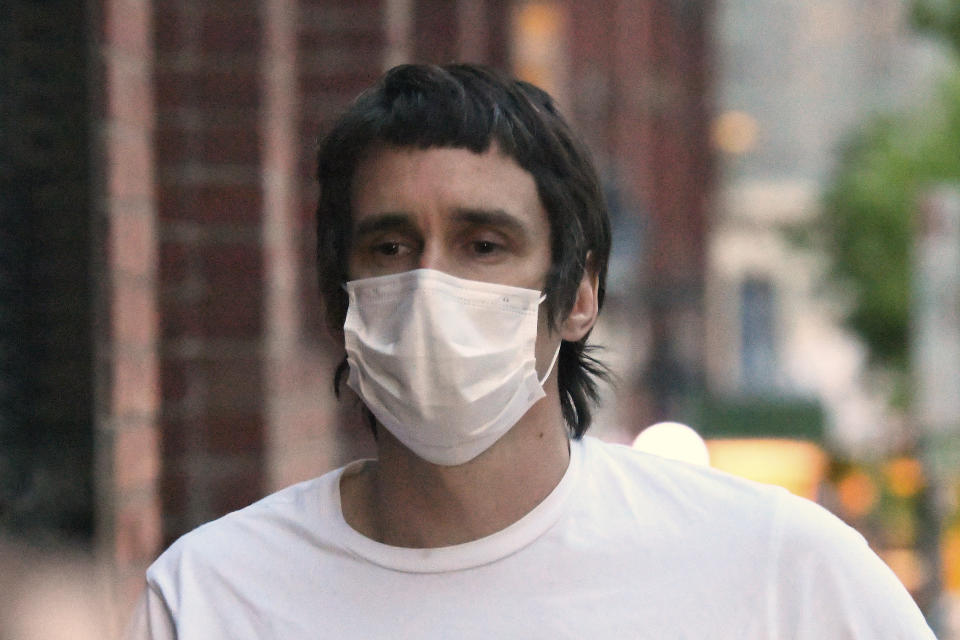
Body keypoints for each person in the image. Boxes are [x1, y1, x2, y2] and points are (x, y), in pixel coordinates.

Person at [126, 63, 935, 639]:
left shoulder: (777, 570)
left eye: (483, 244)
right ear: (339, 295)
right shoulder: (212, 599)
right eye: (389, 247)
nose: (429, 285)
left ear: (579, 295)